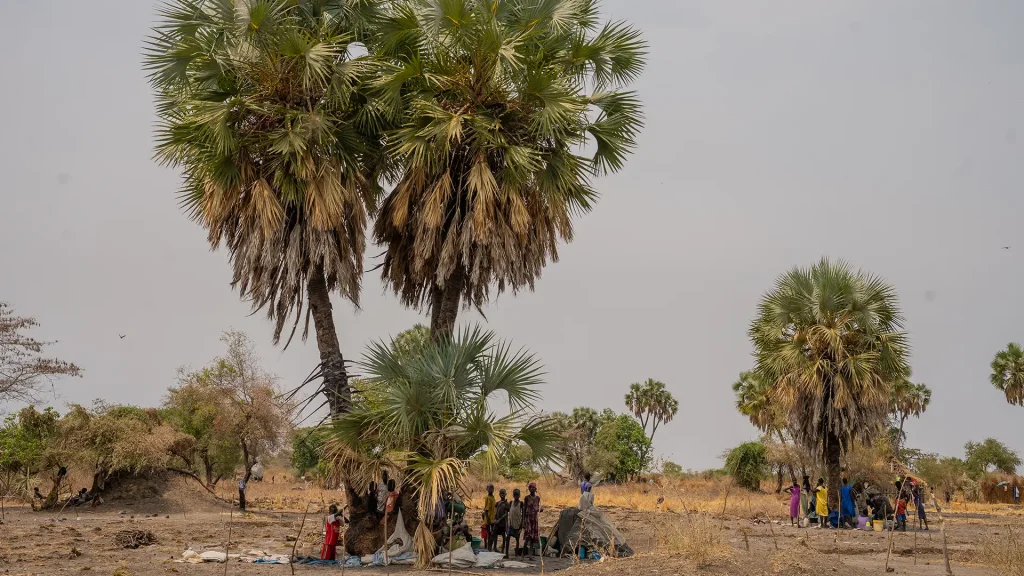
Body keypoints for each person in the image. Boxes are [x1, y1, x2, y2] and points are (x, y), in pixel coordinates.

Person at [523, 482, 541, 559]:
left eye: (534, 488)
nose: (532, 489)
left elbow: (537, 508)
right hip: (528, 519)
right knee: (527, 537)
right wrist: (523, 520)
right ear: (529, 489)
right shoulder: (526, 498)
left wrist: (540, 510)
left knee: (533, 538)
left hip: (534, 520)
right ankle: (523, 555)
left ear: (535, 489)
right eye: (531, 488)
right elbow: (524, 509)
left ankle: (530, 555)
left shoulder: (538, 498)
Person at [505, 488, 525, 558]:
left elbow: (523, 515)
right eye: (515, 494)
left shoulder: (521, 504)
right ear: (513, 495)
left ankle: (516, 553)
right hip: (511, 524)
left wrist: (522, 524)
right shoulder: (511, 503)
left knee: (517, 539)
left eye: (517, 494)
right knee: (507, 538)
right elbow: (507, 512)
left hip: (518, 524)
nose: (516, 496)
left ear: (519, 495)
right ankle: (506, 554)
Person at [491, 488, 509, 553]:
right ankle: (495, 548)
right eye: (501, 493)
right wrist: (495, 520)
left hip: (503, 523)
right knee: (495, 535)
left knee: (503, 537)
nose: (502, 495)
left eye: (503, 493)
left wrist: (500, 519)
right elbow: (495, 512)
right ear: (499, 494)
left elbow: (506, 514)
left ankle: (502, 550)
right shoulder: (497, 503)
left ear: (505, 494)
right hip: (497, 522)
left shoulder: (506, 503)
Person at [483, 484, 497, 549]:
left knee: (493, 534)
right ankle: (489, 548)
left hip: (493, 519)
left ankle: (490, 547)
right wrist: (488, 520)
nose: (491, 489)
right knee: (489, 534)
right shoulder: (487, 498)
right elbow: (486, 510)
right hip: (488, 519)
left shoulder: (493, 497)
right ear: (487, 489)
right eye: (490, 488)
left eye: (492, 488)